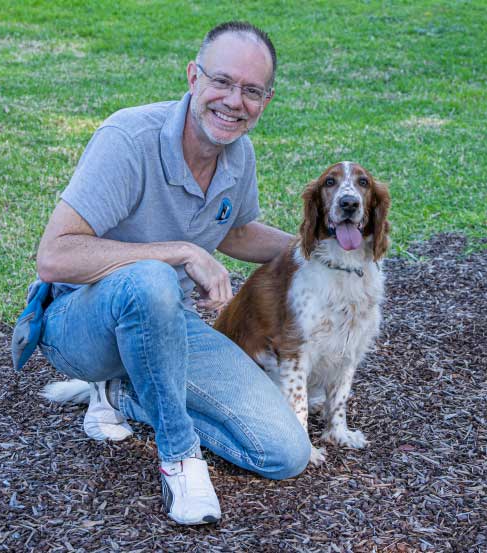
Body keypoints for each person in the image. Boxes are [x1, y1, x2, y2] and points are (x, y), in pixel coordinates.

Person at [30, 21, 311, 525]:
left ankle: (128, 393)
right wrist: (180, 252)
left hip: (168, 328)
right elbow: (54, 256)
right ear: (192, 77)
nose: (233, 100)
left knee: (284, 454)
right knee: (151, 279)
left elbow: (234, 230)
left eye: (250, 90)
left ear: (265, 100)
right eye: (221, 81)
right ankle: (179, 458)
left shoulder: (237, 154)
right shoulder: (128, 137)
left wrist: (316, 249)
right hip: (80, 324)